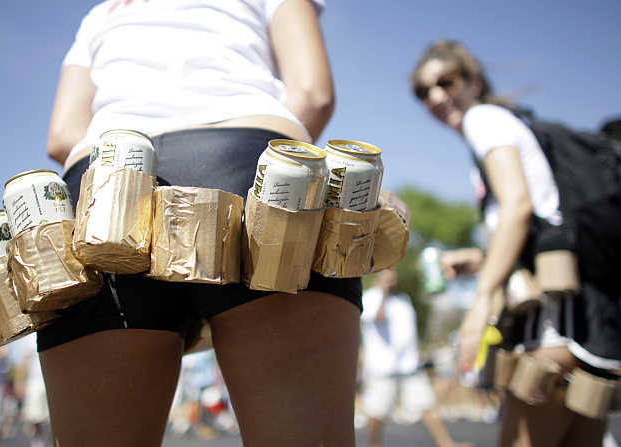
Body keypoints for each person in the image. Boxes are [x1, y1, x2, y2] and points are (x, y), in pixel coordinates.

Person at [41, 1, 361, 446]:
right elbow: (313, 93)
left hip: (106, 190)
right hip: (249, 163)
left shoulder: (103, 12)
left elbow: (61, 135)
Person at [411, 40, 621, 447]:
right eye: (423, 92)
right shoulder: (510, 123)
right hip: (594, 317)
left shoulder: (483, 120)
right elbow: (539, 219)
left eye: (445, 82)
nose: (436, 97)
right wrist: (482, 259)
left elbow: (518, 207)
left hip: (554, 325)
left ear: (473, 81)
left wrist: (479, 306)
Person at [359, 269, 473, 447]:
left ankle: (446, 443)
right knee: (377, 413)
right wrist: (383, 291)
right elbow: (378, 318)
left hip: (409, 365)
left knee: (427, 406)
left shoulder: (403, 300)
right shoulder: (370, 297)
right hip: (383, 368)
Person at [14, 335, 50, 447]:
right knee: (34, 418)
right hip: (35, 382)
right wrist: (19, 382)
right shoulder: (28, 337)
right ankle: (37, 443)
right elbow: (24, 361)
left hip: (51, 380)